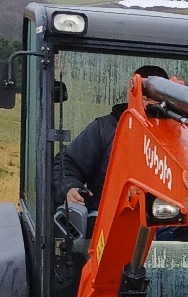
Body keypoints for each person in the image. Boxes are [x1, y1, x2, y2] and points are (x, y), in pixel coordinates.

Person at [55, 65, 170, 207]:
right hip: (106, 214)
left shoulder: (179, 136)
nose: (152, 104)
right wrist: (70, 188)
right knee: (89, 223)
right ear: (133, 93)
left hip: (165, 218)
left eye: (158, 98)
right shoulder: (104, 129)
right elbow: (67, 164)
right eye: (146, 97)